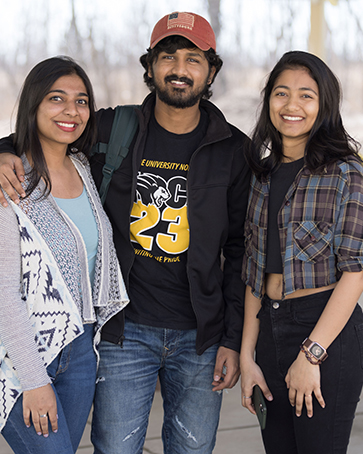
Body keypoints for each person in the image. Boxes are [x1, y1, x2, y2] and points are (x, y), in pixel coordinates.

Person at [0, 12, 251, 454]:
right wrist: (1, 153)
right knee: (115, 448)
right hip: (123, 329)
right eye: (167, 56)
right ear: (150, 66)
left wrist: (231, 340)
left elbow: (238, 251)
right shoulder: (113, 128)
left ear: (211, 69)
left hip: (200, 336)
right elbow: (47, 128)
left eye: (193, 59)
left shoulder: (233, 149)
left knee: (193, 449)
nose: (179, 69)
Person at [0, 56, 128, 454]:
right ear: (34, 104)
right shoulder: (11, 180)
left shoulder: (84, 168)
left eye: (81, 100)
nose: (71, 111)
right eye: (57, 99)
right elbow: (4, 292)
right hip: (19, 359)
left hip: (80, 349)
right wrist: (35, 380)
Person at [240, 50, 363, 454]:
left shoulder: (346, 174)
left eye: (306, 96)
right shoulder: (262, 174)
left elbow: (355, 272)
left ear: (323, 105)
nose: (292, 105)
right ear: (268, 101)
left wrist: (312, 355)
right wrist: (247, 356)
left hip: (326, 330)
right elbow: (254, 274)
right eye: (281, 93)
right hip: (269, 331)